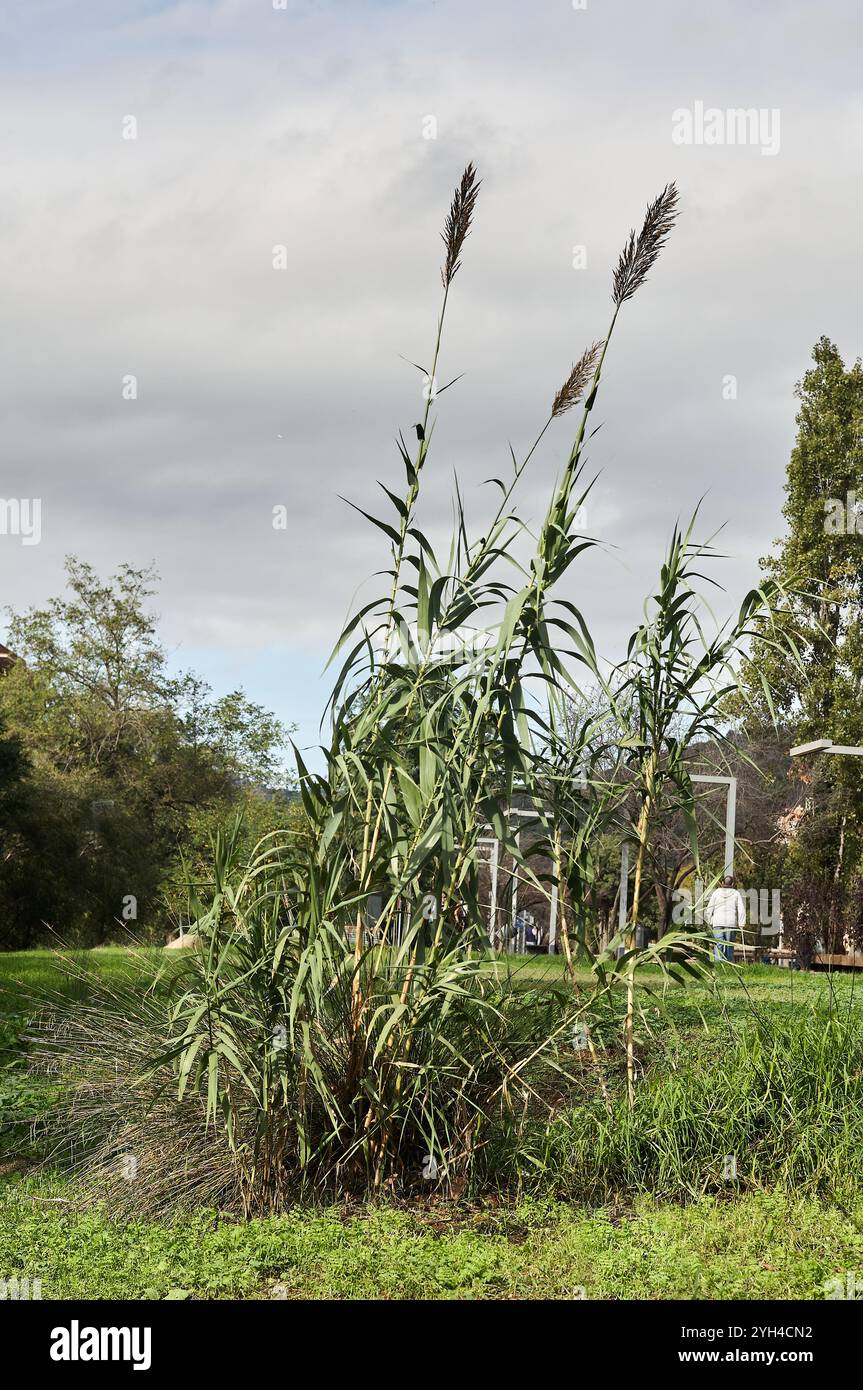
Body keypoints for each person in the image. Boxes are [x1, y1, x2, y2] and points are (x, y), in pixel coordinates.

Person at [707, 875, 746, 962]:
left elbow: (709, 908)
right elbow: (741, 909)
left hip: (717, 922)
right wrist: (741, 923)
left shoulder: (716, 893)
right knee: (729, 944)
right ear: (732, 884)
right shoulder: (736, 893)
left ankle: (718, 965)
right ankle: (729, 964)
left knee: (718, 944)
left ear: (722, 883)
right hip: (731, 923)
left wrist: (709, 921)